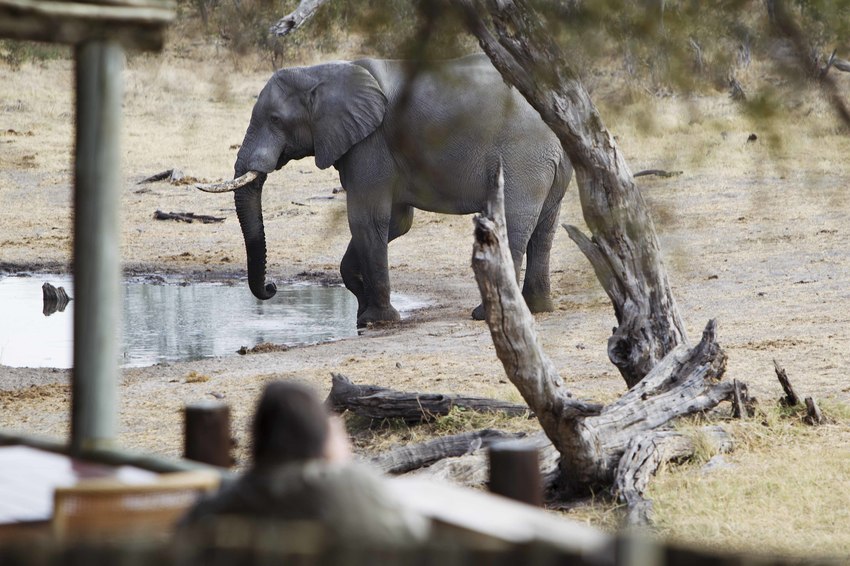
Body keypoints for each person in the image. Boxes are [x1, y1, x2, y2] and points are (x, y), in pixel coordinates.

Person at [178, 380, 430, 547]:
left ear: (258, 438)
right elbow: (415, 534)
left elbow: (182, 537)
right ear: (320, 436)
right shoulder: (353, 485)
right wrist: (338, 462)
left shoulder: (219, 507)